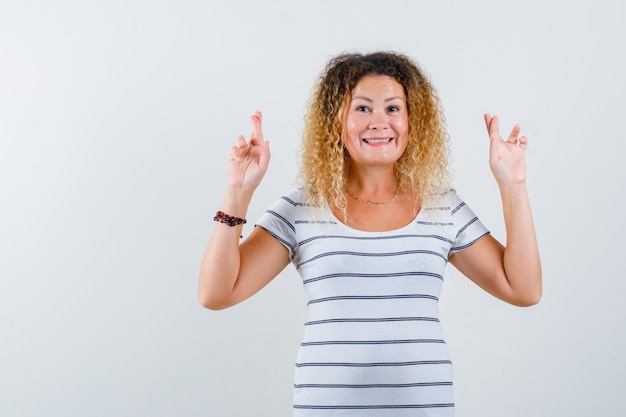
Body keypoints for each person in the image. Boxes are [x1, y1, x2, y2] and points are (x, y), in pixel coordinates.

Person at [198, 51, 541, 416]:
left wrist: (513, 184)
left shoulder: (443, 207)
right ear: (337, 121)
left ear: (412, 121)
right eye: (362, 109)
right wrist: (238, 191)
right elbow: (216, 294)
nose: (379, 122)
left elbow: (523, 289)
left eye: (393, 109)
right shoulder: (302, 208)